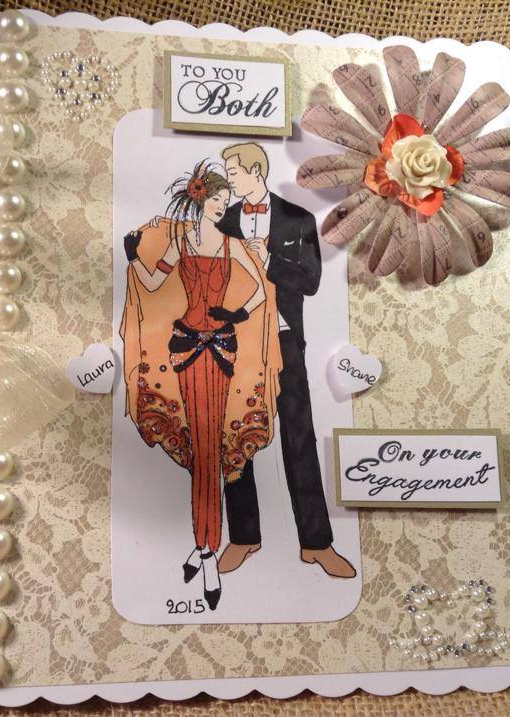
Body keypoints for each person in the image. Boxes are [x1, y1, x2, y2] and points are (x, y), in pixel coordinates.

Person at [119, 162, 282, 610]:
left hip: (222, 352)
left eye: (226, 202)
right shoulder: (181, 243)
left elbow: (260, 291)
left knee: (211, 448)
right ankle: (205, 546)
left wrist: (238, 314)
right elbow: (153, 282)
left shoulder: (232, 246)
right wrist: (132, 257)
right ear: (201, 200)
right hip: (186, 350)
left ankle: (205, 549)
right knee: (201, 449)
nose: (223, 207)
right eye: (218, 201)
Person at [216, 142, 356, 579]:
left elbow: (311, 281)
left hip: (284, 339)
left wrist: (270, 261)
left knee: (299, 436)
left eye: (234, 173)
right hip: (238, 343)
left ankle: (317, 544)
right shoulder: (223, 220)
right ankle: (243, 537)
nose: (230, 181)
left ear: (255, 171)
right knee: (236, 438)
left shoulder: (298, 219)